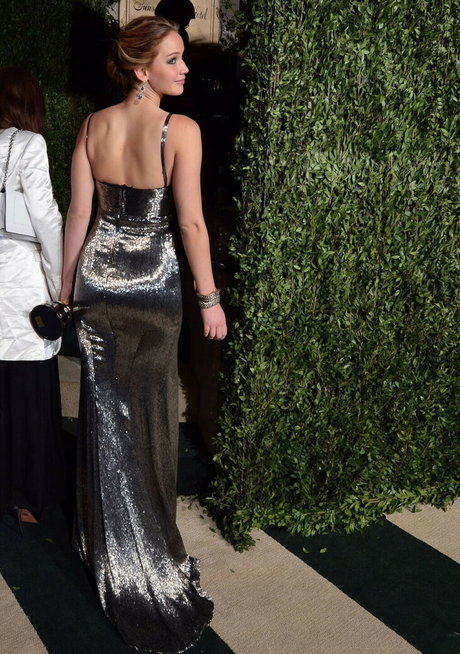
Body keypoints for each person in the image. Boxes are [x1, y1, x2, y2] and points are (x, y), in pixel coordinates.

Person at [60, 16, 226, 653]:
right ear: (140, 69)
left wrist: (66, 290)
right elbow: (191, 224)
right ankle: (151, 555)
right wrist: (208, 298)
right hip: (153, 285)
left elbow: (80, 213)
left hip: (99, 280)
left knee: (106, 415)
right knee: (153, 415)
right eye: (173, 59)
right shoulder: (179, 129)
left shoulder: (93, 125)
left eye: (182, 58)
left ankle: (107, 549)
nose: (184, 69)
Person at [0, 67, 65, 529]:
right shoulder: (29, 144)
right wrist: (61, 287)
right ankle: (27, 493)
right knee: (26, 392)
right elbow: (46, 218)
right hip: (21, 282)